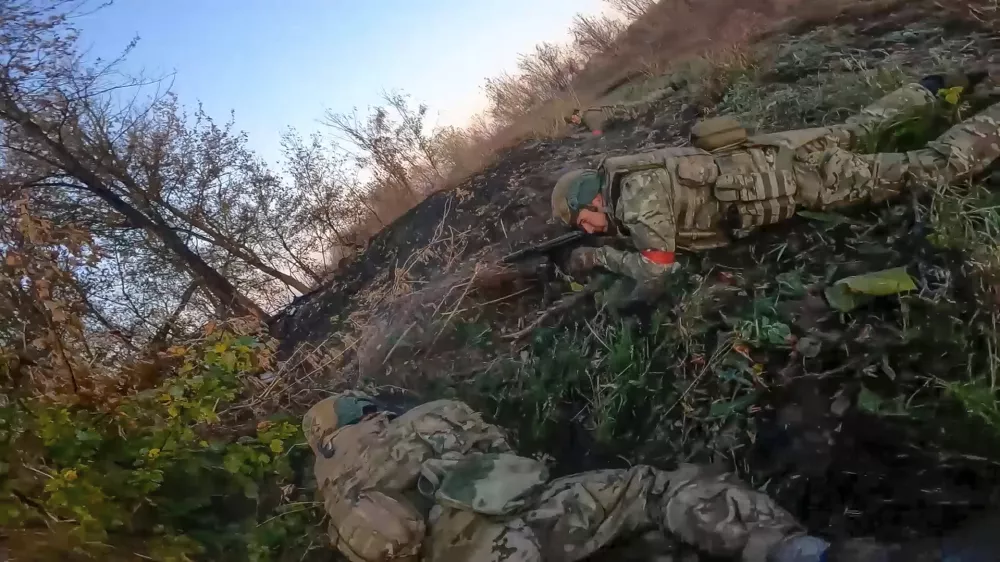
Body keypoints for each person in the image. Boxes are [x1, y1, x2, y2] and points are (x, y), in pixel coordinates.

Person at [550, 71, 1000, 286]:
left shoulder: (634, 199)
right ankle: (936, 85)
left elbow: (657, 272)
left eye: (580, 223)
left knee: (931, 166)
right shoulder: (637, 172)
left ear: (591, 202)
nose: (588, 231)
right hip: (786, 147)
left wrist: (596, 259)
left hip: (809, 179)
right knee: (862, 125)